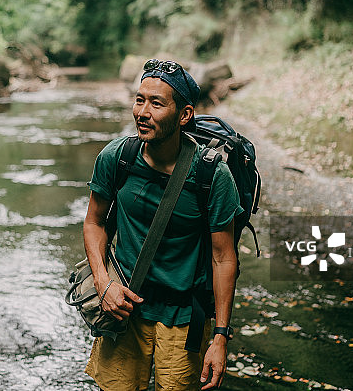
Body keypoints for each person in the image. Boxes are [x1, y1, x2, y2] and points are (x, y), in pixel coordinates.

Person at [82, 58, 243, 391]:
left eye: (156, 103)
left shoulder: (211, 175)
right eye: (140, 99)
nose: (142, 111)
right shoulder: (117, 158)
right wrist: (102, 282)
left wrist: (221, 337)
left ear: (184, 115)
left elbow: (223, 258)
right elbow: (95, 222)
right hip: (123, 308)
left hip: (184, 318)